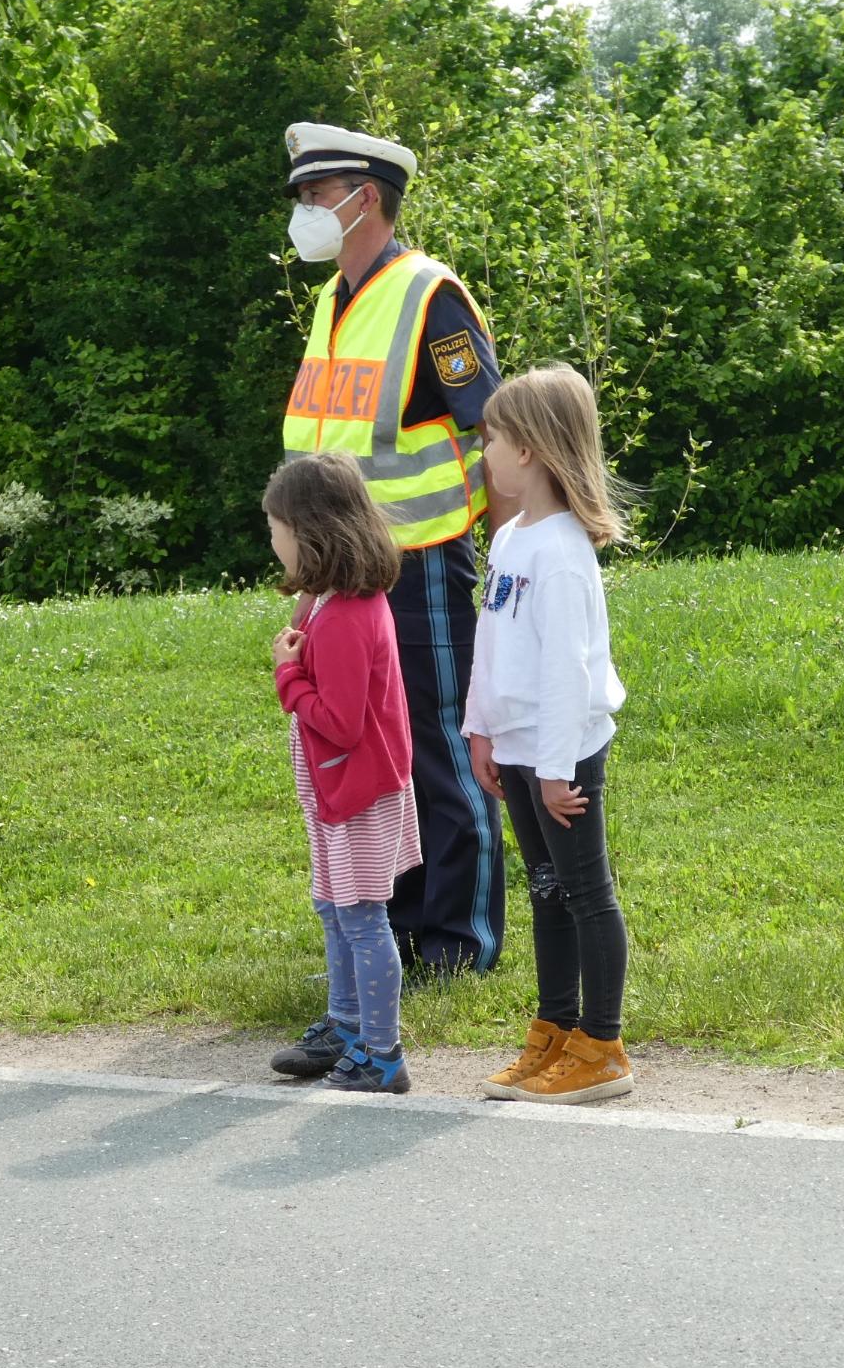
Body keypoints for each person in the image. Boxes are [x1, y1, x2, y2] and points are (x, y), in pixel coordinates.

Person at [279, 120, 504, 976]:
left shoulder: (428, 295)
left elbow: (494, 427)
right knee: (376, 750)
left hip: (424, 563)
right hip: (344, 578)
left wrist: (508, 547)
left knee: (443, 745)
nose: (303, 211)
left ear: (363, 197)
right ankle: (399, 927)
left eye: (314, 195)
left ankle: (462, 939)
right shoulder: (332, 300)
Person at [463, 365, 635, 1103]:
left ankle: (603, 1048)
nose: (484, 454)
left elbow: (569, 671)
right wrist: (481, 732)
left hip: (561, 752)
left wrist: (560, 768)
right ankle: (556, 1030)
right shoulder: (511, 540)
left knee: (586, 893)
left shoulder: (562, 552)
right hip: (519, 747)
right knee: (545, 890)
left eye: (491, 439)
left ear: (528, 449)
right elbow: (492, 643)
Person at [262, 453, 421, 1095]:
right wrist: (303, 604)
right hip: (338, 791)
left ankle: (383, 1053)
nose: (272, 542)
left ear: (309, 533)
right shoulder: (333, 601)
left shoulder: (348, 619)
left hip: (356, 791)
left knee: (360, 915)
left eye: (277, 529)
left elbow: (342, 722)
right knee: (333, 907)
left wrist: (287, 675)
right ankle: (346, 1023)